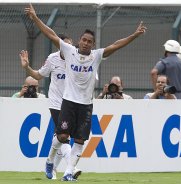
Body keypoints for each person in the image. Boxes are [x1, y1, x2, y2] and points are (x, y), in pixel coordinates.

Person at [25, 4, 146, 181]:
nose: (86, 43)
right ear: (79, 40)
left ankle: (68, 172)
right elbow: (50, 33)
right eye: (84, 40)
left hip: (86, 104)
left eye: (90, 41)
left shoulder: (96, 56)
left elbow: (116, 45)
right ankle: (50, 160)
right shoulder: (69, 51)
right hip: (68, 101)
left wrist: (134, 35)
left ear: (93, 44)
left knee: (80, 141)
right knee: (63, 136)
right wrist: (35, 18)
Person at [19, 34, 82, 180]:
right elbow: (38, 75)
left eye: (71, 45)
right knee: (65, 136)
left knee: (60, 137)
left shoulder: (77, 59)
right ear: (59, 46)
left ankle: (50, 164)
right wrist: (27, 66)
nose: (69, 48)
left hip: (71, 103)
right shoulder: (52, 59)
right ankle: (71, 169)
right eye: (65, 45)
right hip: (56, 103)